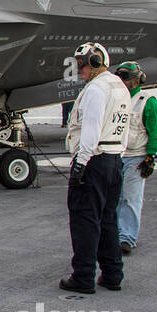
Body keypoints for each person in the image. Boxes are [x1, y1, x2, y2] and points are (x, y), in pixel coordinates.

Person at [60, 42, 130, 293]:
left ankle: (83, 276)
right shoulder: (119, 87)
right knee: (108, 219)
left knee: (85, 220)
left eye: (82, 65)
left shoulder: (96, 89)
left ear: (96, 62)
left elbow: (91, 130)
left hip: (94, 159)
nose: (79, 70)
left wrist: (80, 164)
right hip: (114, 160)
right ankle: (112, 274)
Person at [113, 61, 157, 256]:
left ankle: (127, 239)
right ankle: (114, 235)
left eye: (125, 77)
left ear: (137, 78)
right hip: (115, 155)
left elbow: (155, 130)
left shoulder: (146, 100)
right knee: (114, 198)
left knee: (131, 199)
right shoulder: (115, 99)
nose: (122, 81)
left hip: (136, 157)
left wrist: (151, 156)